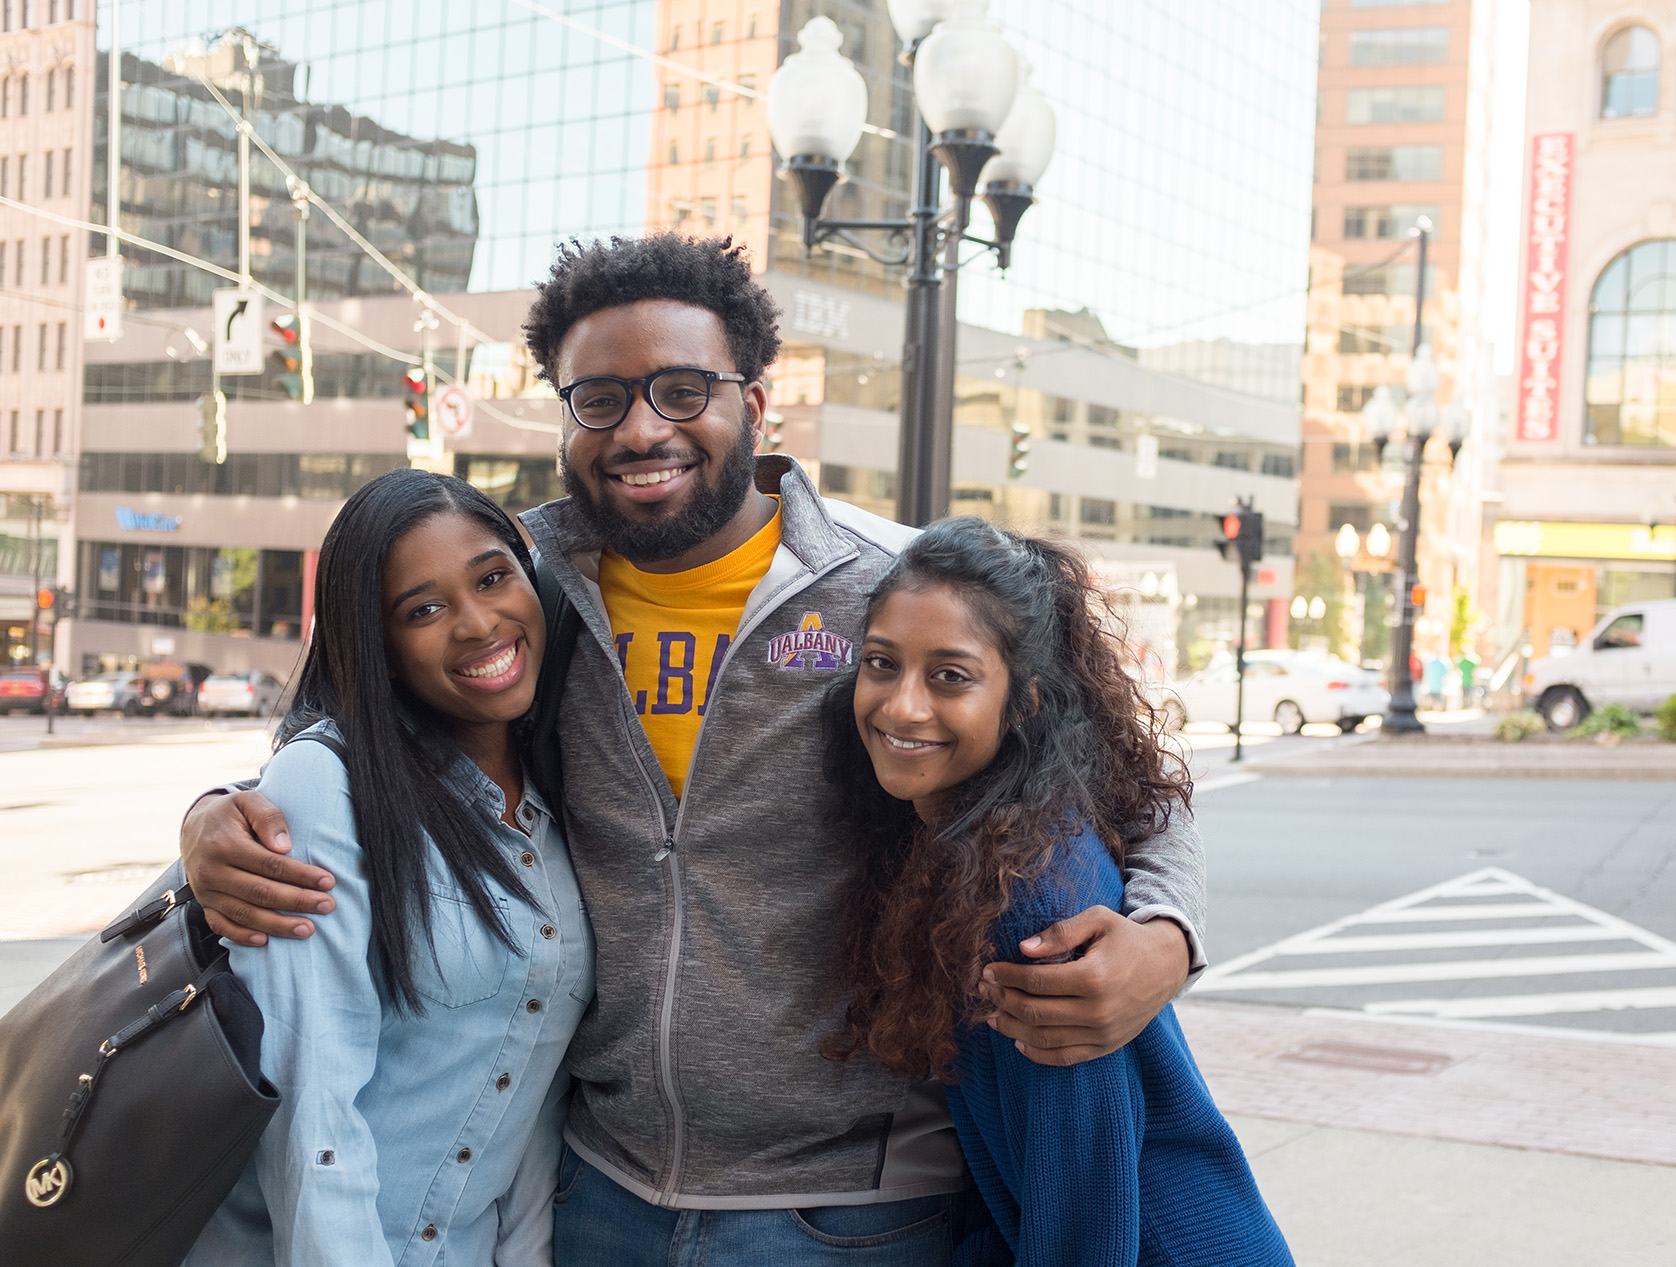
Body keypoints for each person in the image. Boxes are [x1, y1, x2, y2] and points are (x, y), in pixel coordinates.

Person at [178, 234, 1208, 1265]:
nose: (640, 429)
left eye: (681, 390)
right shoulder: (530, 596)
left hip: (850, 1213)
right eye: (600, 398)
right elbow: (374, 716)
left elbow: (1117, 773)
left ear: (753, 404)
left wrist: (1166, 935)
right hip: (596, 1196)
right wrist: (225, 807)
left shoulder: (889, 587)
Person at [822, 518, 1294, 1267]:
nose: (902, 705)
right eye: (882, 663)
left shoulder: (1033, 907)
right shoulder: (970, 844)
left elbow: (1086, 1213)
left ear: (1026, 701)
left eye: (950, 675)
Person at [184, 469, 593, 1266]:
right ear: (379, 645)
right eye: (424, 609)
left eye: (493, 577)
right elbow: (311, 1116)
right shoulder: (323, 788)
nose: (479, 622)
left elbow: (533, 1110)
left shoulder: (561, 791)